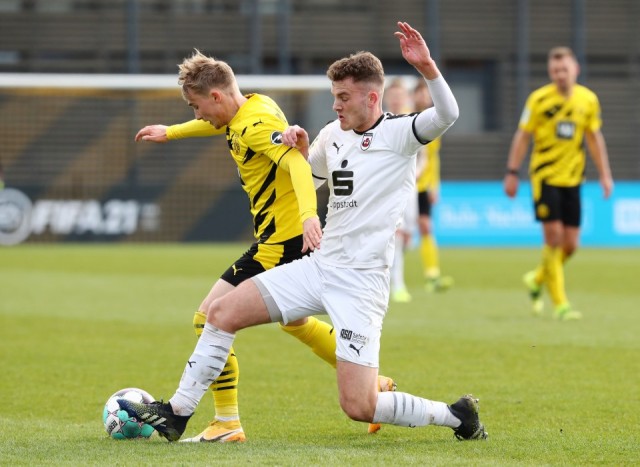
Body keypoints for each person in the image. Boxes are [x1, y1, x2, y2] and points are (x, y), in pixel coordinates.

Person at [119, 21, 487, 443]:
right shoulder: (331, 136)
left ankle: (455, 416)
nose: (335, 105)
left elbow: (448, 115)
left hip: (361, 282)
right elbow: (305, 177)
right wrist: (297, 145)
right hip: (319, 266)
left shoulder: (400, 134)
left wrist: (427, 68)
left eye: (343, 97)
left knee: (359, 405)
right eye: (334, 96)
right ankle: (178, 413)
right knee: (219, 315)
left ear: (371, 97)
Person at [134, 50, 396, 442]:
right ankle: (376, 384)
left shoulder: (255, 125)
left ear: (217, 96)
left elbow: (296, 163)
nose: (197, 114)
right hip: (281, 238)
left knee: (208, 318)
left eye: (196, 106)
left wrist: (308, 215)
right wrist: (171, 132)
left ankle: (226, 422)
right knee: (295, 322)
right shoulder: (249, 109)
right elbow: (217, 125)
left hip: (282, 241)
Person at [504, 46, 613, 320]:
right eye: (555, 70)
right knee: (552, 237)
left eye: (564, 69)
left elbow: (594, 138)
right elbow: (522, 136)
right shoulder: (538, 100)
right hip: (545, 177)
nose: (560, 75)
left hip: (573, 178)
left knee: (571, 245)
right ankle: (561, 304)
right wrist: (512, 171)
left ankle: (537, 278)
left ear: (575, 69)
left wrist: (605, 174)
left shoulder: (588, 100)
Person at [413, 80, 454, 293]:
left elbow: (433, 157)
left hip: (423, 185)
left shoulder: (434, 121)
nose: (424, 97)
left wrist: (434, 185)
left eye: (426, 93)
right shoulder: (407, 118)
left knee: (426, 226)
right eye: (420, 93)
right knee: (399, 234)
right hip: (405, 185)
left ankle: (432, 274)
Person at [383, 77, 418, 303]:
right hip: (388, 188)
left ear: (406, 98)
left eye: (399, 96)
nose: (396, 100)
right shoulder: (380, 122)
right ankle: (397, 284)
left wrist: (420, 174)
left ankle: (395, 278)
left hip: (410, 187)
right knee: (393, 235)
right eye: (393, 96)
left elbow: (424, 156)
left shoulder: (414, 122)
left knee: (406, 238)